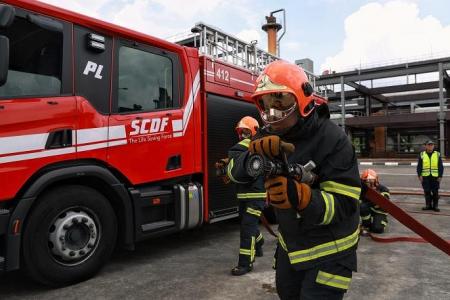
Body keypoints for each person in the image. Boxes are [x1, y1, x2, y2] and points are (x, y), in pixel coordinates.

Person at [232, 60, 361, 299]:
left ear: (302, 98)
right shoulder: (267, 132)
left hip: (330, 251)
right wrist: (252, 156)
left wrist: (303, 197)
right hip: (291, 247)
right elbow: (233, 171)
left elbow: (345, 203)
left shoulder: (333, 139)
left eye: (281, 102)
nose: (273, 113)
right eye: (266, 104)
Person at [226, 116, 266, 276]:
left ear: (253, 132)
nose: (243, 135)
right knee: (247, 224)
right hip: (243, 195)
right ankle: (260, 241)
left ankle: (245, 264)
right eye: (241, 132)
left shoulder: (252, 148)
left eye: (246, 132)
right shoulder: (251, 149)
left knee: (247, 228)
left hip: (256, 196)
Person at [360, 169, 390, 234]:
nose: (369, 184)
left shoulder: (383, 189)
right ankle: (366, 225)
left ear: (376, 180)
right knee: (362, 207)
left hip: (379, 211)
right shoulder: (361, 190)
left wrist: (375, 194)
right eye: (366, 181)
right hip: (367, 209)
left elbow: (384, 202)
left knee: (377, 229)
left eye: (371, 181)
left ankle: (382, 221)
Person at [417, 140, 444, 212]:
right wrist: (419, 175)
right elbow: (419, 166)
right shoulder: (422, 154)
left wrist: (440, 176)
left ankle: (435, 206)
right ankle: (428, 205)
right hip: (425, 176)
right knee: (427, 191)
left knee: (435, 191)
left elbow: (440, 166)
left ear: (433, 146)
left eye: (432, 145)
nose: (430, 146)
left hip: (435, 176)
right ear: (425, 146)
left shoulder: (437, 154)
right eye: (429, 145)